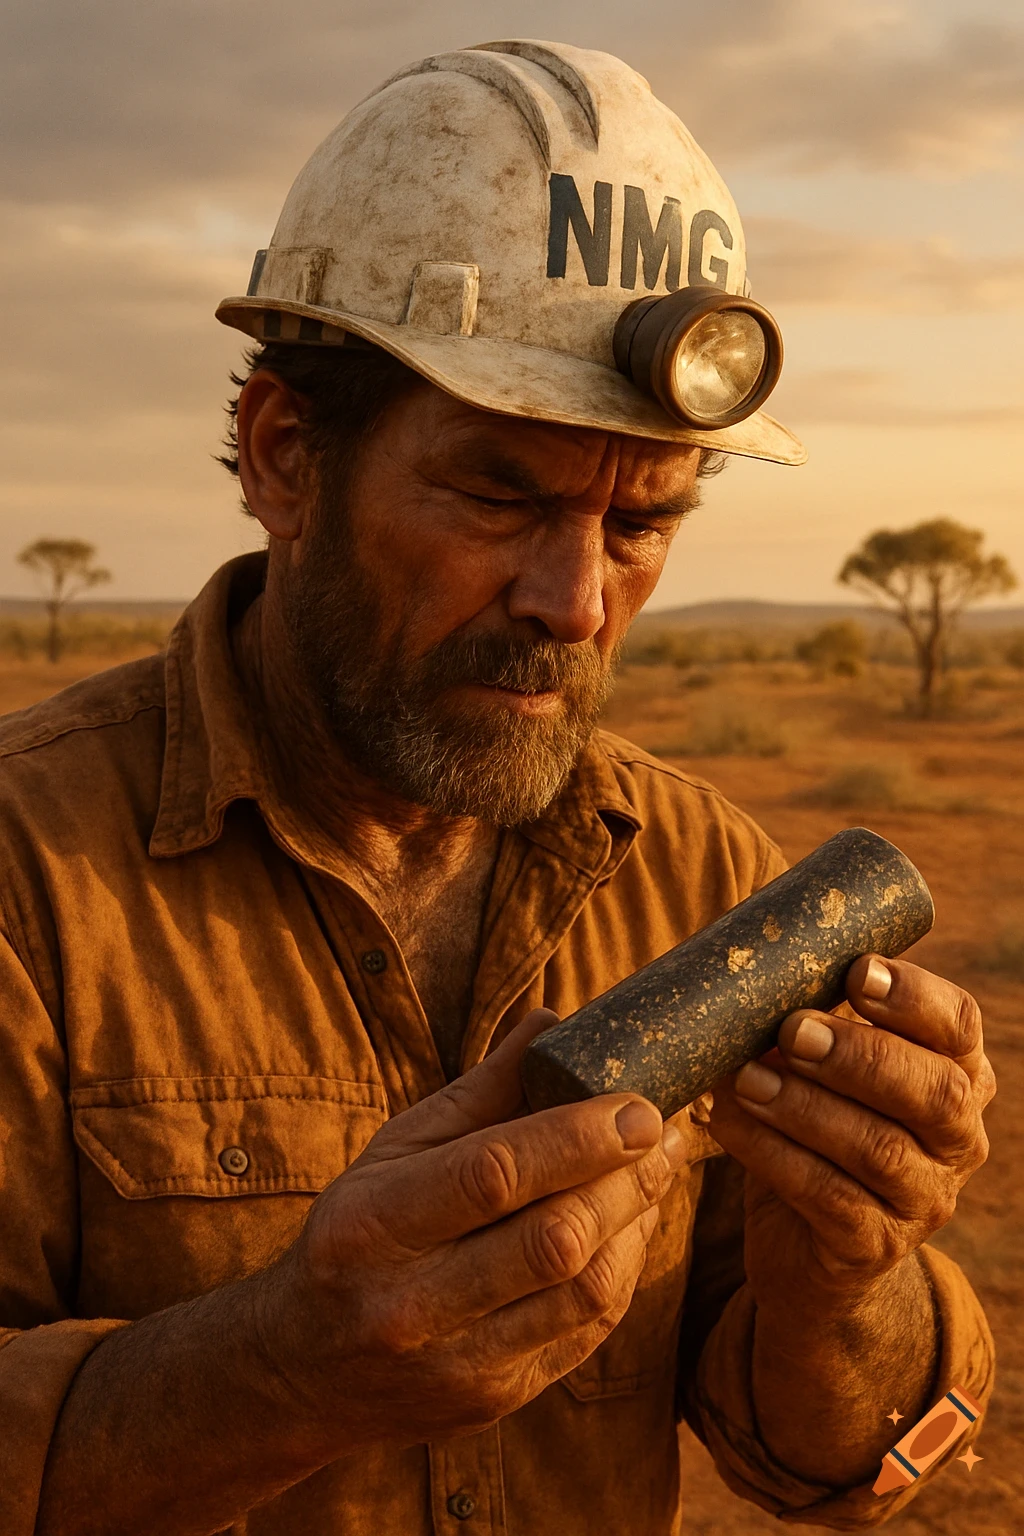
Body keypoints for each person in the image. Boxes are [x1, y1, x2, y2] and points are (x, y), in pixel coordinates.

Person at [0, 40, 993, 1536]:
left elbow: (821, 1458)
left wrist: (844, 1271)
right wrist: (280, 1372)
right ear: (285, 456)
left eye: (644, 519)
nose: (577, 601)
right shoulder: (30, 875)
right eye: (499, 496)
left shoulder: (700, 879)